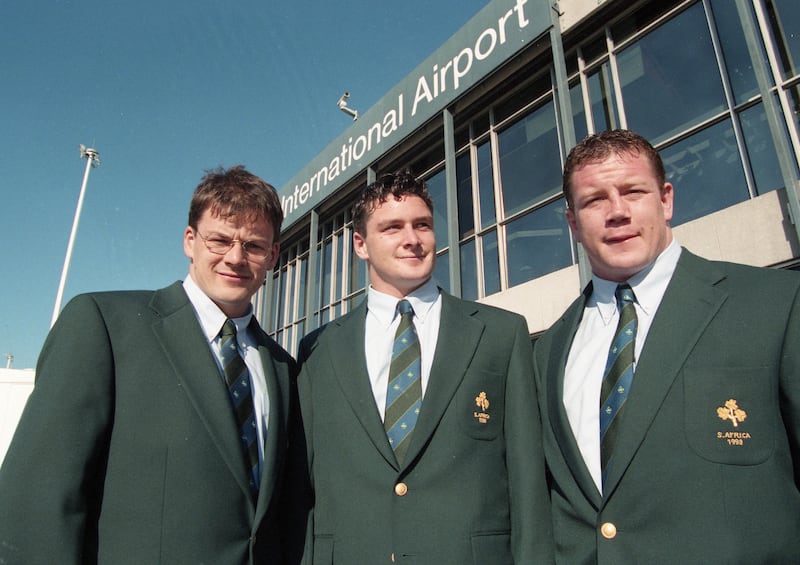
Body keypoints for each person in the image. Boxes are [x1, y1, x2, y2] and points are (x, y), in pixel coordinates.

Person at [0, 165, 305, 564]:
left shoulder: (282, 367)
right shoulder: (105, 325)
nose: (235, 258)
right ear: (189, 241)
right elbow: (39, 496)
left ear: (273, 256)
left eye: (253, 246)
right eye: (219, 240)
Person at [533, 129, 800, 563]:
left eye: (633, 191)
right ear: (573, 224)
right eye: (594, 200)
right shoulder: (547, 351)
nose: (617, 212)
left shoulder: (775, 303)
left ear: (666, 199)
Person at [296, 171, 553, 564]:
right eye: (392, 227)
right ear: (361, 245)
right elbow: (304, 489)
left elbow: (528, 479)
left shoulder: (501, 334)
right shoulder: (318, 349)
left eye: (423, 225)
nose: (412, 239)